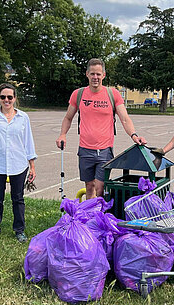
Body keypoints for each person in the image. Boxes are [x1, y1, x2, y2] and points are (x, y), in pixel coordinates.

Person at [56, 58, 147, 199]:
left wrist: (134, 135)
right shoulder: (78, 94)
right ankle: (90, 217)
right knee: (89, 187)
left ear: (104, 75)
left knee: (100, 187)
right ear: (87, 74)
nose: (95, 77)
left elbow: (124, 118)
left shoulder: (113, 94)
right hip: (85, 149)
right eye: (92, 74)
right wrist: (62, 134)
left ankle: (100, 216)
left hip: (104, 150)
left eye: (98, 74)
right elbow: (68, 117)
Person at [0, 83, 37, 243]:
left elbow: (28, 142)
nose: (6, 100)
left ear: (15, 98)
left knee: (18, 198)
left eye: (9, 97)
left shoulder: (23, 117)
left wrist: (32, 166)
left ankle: (19, 230)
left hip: (18, 164)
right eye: (3, 97)